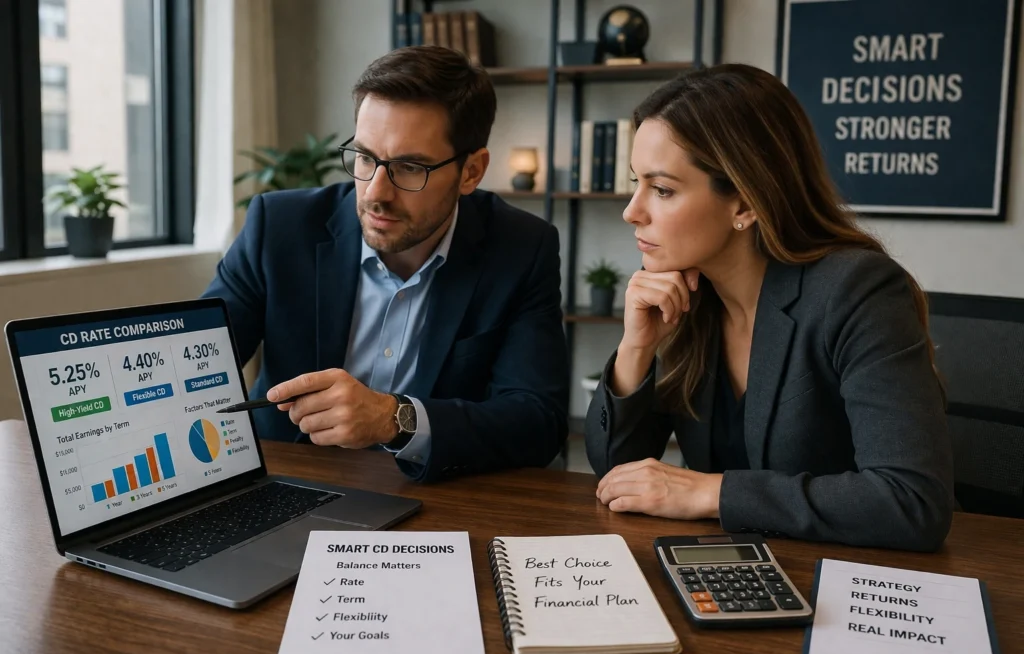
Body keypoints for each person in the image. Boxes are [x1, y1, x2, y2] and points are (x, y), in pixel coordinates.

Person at [584, 63, 954, 552]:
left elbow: (912, 502)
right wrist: (637, 347)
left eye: (662, 189)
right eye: (637, 182)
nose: (632, 211)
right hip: (737, 572)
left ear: (744, 204)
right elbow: (617, 476)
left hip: (847, 576)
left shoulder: (855, 290)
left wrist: (711, 493)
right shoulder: (686, 294)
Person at [203, 46, 570, 482]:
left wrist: (394, 419)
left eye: (409, 167)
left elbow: (537, 421)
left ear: (471, 171)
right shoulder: (279, 227)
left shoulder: (521, 248)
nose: (376, 192)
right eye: (365, 157)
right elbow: (201, 364)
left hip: (434, 493)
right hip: (289, 478)